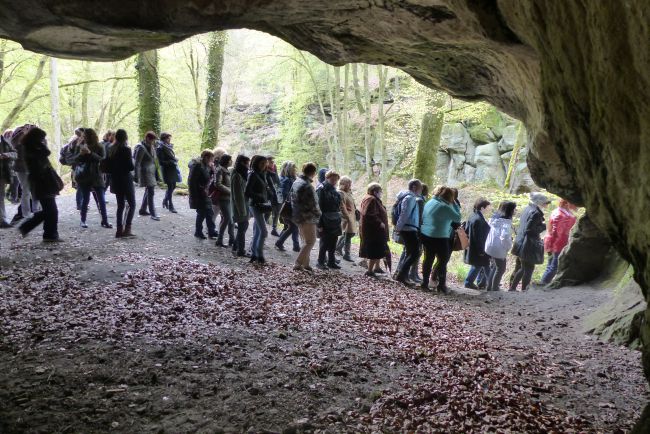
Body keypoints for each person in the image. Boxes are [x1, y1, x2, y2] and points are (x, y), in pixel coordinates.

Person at [17, 127, 63, 242]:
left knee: (50, 210)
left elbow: (47, 152)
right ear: (36, 138)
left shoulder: (33, 148)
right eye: (42, 138)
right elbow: (40, 162)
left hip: (43, 181)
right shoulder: (31, 150)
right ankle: (48, 234)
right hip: (42, 182)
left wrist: (42, 144)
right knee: (51, 210)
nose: (43, 140)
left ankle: (48, 234)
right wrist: (41, 145)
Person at [420, 187, 461, 293]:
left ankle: (424, 283)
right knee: (443, 260)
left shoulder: (431, 202)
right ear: (450, 197)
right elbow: (457, 218)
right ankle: (441, 285)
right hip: (439, 236)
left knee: (428, 259)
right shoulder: (445, 206)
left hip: (425, 234)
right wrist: (454, 204)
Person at [510, 193, 550, 292]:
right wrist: (545, 226)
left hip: (521, 242)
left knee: (523, 268)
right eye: (545, 203)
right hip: (528, 244)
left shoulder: (527, 209)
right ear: (539, 202)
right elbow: (529, 229)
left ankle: (513, 288)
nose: (547, 205)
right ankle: (524, 289)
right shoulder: (536, 213)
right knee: (528, 268)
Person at [73, 128, 111, 229]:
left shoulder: (99, 146)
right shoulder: (80, 146)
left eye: (85, 136)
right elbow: (74, 160)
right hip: (84, 176)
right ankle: (83, 220)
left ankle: (105, 220)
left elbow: (102, 159)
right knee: (85, 199)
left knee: (101, 200)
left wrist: (90, 153)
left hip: (96, 176)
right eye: (83, 136)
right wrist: (81, 154)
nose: (84, 138)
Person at [105, 129, 136, 238]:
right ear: (125, 137)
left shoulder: (110, 149)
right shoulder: (126, 149)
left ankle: (119, 231)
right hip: (126, 180)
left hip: (115, 180)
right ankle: (127, 229)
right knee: (132, 204)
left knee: (120, 206)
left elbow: (108, 166)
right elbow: (130, 167)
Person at [291, 162, 321, 271]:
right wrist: (319, 214)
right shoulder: (307, 186)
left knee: (305, 240)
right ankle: (298, 263)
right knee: (310, 241)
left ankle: (306, 264)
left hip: (297, 215)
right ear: (313, 172)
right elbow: (314, 204)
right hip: (308, 217)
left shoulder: (296, 182)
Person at [393, 179, 423, 285]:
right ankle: (401, 275)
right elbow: (404, 214)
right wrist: (398, 228)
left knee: (410, 252)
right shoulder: (410, 198)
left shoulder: (409, 197)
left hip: (408, 228)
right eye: (420, 187)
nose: (421, 190)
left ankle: (402, 275)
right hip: (408, 229)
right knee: (415, 253)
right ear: (414, 187)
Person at [541, 199, 577, 284]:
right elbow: (560, 233)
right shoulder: (562, 215)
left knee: (550, 266)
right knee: (553, 267)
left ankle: (543, 284)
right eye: (573, 203)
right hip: (558, 244)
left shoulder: (560, 212)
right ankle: (543, 284)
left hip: (553, 243)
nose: (575, 206)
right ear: (566, 204)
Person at [484, 201, 516, 291]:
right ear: (509, 210)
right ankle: (494, 288)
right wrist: (509, 246)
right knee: (501, 268)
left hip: (490, 246)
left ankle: (490, 287)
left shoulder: (495, 218)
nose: (515, 211)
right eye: (514, 209)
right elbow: (505, 236)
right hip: (499, 248)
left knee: (495, 267)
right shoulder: (506, 222)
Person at [359, 182, 389, 277]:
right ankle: (370, 270)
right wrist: (379, 222)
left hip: (376, 231)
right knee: (374, 249)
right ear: (375, 191)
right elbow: (368, 214)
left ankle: (377, 267)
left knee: (379, 248)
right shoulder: (371, 199)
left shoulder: (373, 199)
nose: (381, 193)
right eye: (380, 191)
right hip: (373, 231)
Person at [245, 155, 271, 264]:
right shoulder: (253, 174)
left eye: (265, 164)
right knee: (264, 232)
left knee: (257, 231)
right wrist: (260, 196)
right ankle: (260, 255)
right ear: (256, 163)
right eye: (262, 163)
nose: (264, 165)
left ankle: (254, 254)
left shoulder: (262, 174)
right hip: (255, 205)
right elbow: (247, 192)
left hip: (261, 205)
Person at [11, 125, 40, 222]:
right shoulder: (18, 138)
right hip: (21, 168)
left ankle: (36, 211)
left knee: (36, 190)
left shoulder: (37, 138)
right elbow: (13, 144)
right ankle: (26, 213)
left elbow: (43, 148)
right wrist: (22, 132)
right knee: (26, 190)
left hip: (34, 167)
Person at [188, 150, 218, 240]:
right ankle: (199, 231)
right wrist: (194, 196)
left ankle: (210, 231)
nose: (212, 160)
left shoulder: (207, 166)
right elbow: (192, 182)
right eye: (211, 158)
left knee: (208, 212)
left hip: (205, 192)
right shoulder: (198, 166)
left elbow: (209, 178)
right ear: (205, 157)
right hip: (199, 193)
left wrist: (213, 171)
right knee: (202, 213)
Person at [316, 170, 342, 270]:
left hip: (335, 220)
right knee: (324, 242)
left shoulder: (335, 190)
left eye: (336, 179)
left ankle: (331, 262)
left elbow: (337, 206)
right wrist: (319, 225)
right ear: (327, 178)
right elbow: (318, 208)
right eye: (332, 178)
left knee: (333, 242)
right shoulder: (321, 189)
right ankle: (320, 262)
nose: (334, 180)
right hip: (325, 220)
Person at [463, 197, 491, 289]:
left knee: (482, 265)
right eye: (488, 207)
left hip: (473, 246)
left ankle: (484, 283)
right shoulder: (478, 219)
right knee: (478, 265)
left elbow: (467, 231)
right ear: (482, 208)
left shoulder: (473, 216)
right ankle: (469, 282)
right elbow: (478, 237)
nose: (489, 209)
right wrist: (481, 250)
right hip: (478, 247)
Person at [275, 161, 300, 252]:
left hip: (290, 206)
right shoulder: (287, 180)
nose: (295, 170)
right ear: (289, 169)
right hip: (289, 207)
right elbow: (285, 194)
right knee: (292, 226)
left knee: (292, 226)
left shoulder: (290, 179)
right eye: (294, 168)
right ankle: (280, 242)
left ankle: (295, 245)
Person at [134, 131, 160, 221]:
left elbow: (154, 159)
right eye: (152, 140)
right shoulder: (141, 148)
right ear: (148, 138)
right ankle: (153, 213)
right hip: (145, 172)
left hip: (151, 171)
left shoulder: (152, 146)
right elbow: (137, 162)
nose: (153, 142)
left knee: (149, 190)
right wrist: (136, 176)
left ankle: (143, 209)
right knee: (151, 191)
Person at [231, 154, 251, 257]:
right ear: (242, 163)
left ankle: (235, 246)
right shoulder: (237, 175)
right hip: (240, 207)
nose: (248, 165)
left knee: (243, 227)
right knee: (243, 227)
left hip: (244, 205)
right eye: (247, 162)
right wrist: (241, 210)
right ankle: (241, 250)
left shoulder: (242, 174)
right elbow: (238, 195)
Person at [335, 176, 357, 262]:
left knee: (349, 234)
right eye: (349, 183)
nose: (350, 185)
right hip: (346, 217)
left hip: (351, 216)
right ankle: (347, 254)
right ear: (344, 184)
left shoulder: (348, 192)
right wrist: (347, 216)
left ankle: (338, 248)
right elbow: (342, 206)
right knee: (348, 235)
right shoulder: (341, 193)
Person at [214, 153, 234, 247]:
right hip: (223, 198)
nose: (231, 161)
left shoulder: (227, 170)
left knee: (229, 219)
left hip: (228, 198)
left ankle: (231, 239)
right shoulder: (220, 170)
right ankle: (219, 240)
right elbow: (217, 184)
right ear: (226, 160)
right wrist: (230, 191)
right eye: (230, 159)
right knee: (227, 219)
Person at [157, 132, 179, 213]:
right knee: (170, 186)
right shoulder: (160, 148)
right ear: (164, 139)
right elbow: (161, 162)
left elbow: (171, 157)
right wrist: (172, 161)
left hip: (172, 169)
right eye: (168, 138)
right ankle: (170, 206)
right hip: (167, 170)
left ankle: (165, 200)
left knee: (174, 186)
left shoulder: (168, 147)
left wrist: (174, 160)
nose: (170, 140)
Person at [0, 133, 17, 228]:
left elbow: (15, 154)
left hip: (3, 173)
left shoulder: (5, 142)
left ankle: (2, 220)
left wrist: (7, 155)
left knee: (1, 196)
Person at [266, 155, 282, 237]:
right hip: (269, 194)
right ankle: (263, 229)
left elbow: (277, 180)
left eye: (273, 161)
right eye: (271, 161)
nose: (273, 163)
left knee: (277, 212)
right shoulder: (265, 171)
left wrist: (279, 190)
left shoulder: (274, 168)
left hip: (277, 192)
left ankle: (274, 228)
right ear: (267, 162)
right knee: (268, 212)